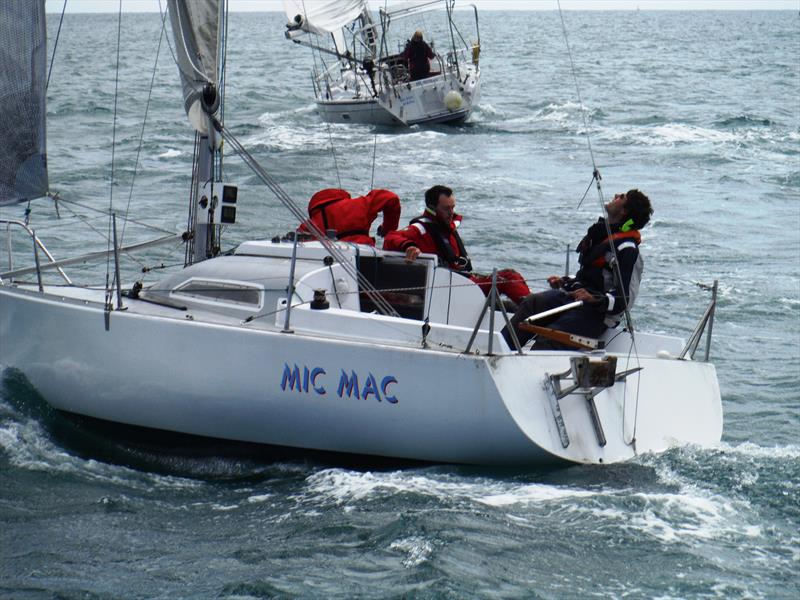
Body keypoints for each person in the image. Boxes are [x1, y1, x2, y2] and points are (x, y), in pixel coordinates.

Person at [502, 189, 654, 350]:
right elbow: (592, 278)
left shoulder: (627, 249)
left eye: (621, 197)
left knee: (549, 337)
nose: (616, 195)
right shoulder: (600, 236)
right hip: (573, 301)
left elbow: (625, 299)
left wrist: (595, 299)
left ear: (624, 211)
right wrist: (565, 282)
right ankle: (500, 351)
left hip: (596, 315)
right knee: (533, 303)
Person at [383, 185, 530, 305]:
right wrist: (409, 246)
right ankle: (535, 311)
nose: (451, 213)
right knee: (508, 278)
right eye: (446, 209)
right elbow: (391, 237)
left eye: (453, 207)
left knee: (510, 287)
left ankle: (532, 310)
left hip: (462, 282)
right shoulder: (419, 229)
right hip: (450, 288)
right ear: (432, 208)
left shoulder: (447, 227)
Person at [297, 188, 401, 246]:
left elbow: (298, 242)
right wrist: (387, 229)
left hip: (331, 263)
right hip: (364, 255)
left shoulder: (311, 223)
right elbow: (391, 198)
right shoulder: (360, 204)